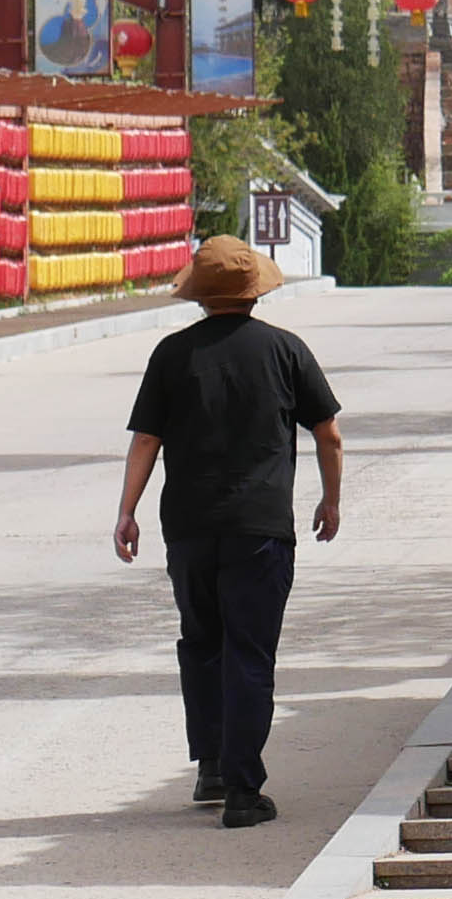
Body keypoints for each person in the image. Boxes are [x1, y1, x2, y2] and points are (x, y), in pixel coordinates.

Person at [113, 237, 342, 830]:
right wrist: (331, 499)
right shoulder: (286, 351)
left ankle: (211, 765)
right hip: (260, 529)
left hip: (188, 529)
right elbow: (328, 433)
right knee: (249, 650)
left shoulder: (171, 355)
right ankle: (243, 790)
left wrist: (127, 511)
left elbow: (145, 440)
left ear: (199, 295)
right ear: (255, 291)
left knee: (201, 642)